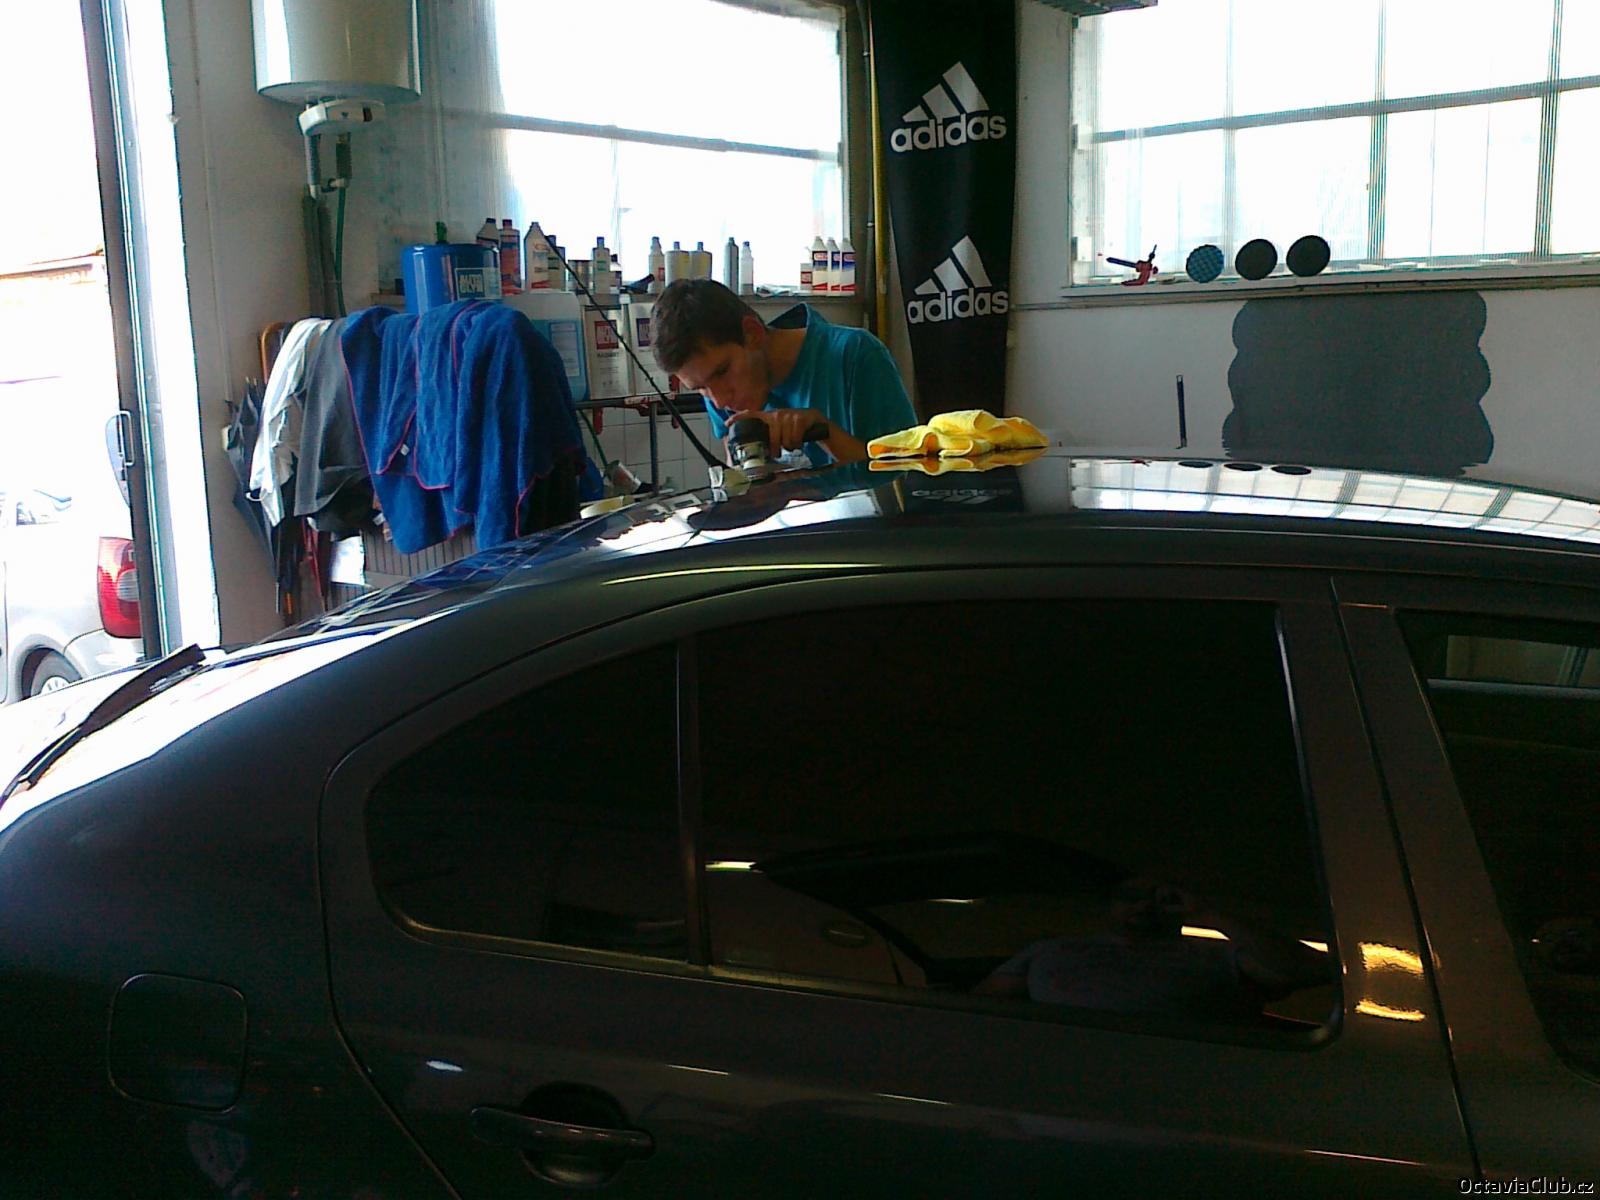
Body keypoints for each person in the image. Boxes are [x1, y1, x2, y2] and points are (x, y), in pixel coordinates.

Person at [973, 874, 1330, 1023]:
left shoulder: (1220, 956)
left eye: (1160, 898)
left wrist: (1207, 913)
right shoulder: (1051, 950)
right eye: (1130, 897)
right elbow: (981, 1009)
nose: (1143, 906)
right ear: (1110, 906)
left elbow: (1308, 970)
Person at [651, 279, 916, 467]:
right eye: (700, 388)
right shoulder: (718, 392)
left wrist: (824, 432)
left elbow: (910, 474)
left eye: (722, 372)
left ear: (753, 334)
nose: (719, 401)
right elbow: (739, 470)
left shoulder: (855, 355)